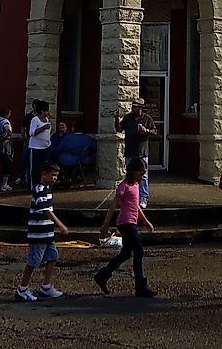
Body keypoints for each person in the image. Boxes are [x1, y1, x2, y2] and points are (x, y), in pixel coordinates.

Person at [93, 159, 156, 298]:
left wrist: (145, 221)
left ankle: (102, 275)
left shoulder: (136, 185)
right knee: (138, 250)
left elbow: (136, 205)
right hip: (125, 222)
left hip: (132, 221)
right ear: (133, 171)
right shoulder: (124, 186)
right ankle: (140, 287)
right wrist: (106, 224)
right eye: (141, 173)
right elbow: (113, 205)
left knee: (126, 253)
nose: (142, 176)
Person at [14, 161, 68, 302]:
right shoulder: (39, 190)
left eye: (56, 176)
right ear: (44, 174)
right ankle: (22, 288)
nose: (55, 178)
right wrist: (60, 224)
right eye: (53, 175)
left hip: (47, 233)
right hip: (38, 233)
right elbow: (46, 211)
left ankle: (46, 286)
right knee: (33, 261)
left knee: (52, 257)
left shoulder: (48, 189)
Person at [119, 98, 156, 207]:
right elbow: (119, 128)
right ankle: (130, 196)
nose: (133, 108)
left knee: (143, 176)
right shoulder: (128, 118)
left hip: (142, 152)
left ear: (141, 108)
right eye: (133, 106)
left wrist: (146, 130)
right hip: (129, 152)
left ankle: (143, 198)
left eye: (136, 107)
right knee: (129, 175)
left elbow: (155, 131)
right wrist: (117, 118)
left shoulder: (147, 118)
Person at [25, 99, 52, 189]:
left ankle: (44, 184)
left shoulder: (47, 119)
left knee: (45, 167)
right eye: (46, 110)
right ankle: (33, 185)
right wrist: (43, 127)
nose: (48, 112)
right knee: (35, 168)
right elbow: (32, 133)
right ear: (42, 111)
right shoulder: (35, 120)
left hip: (46, 147)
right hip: (36, 148)